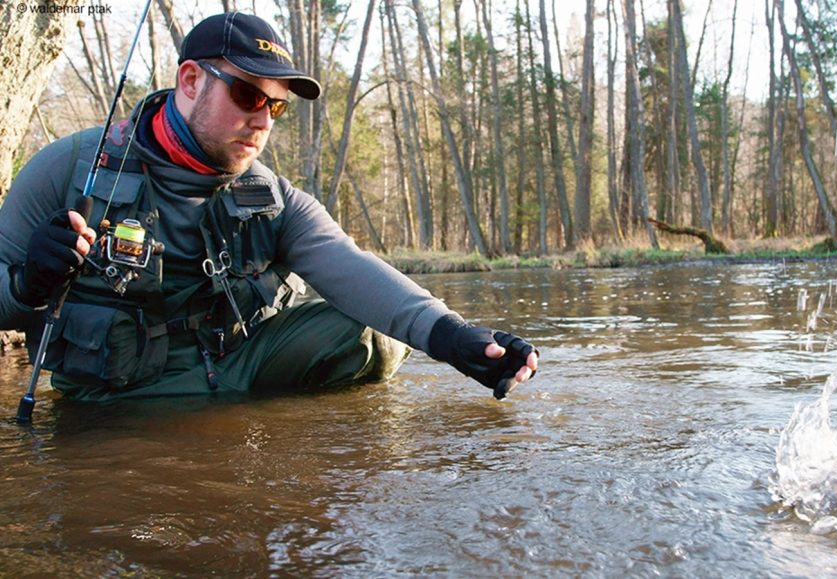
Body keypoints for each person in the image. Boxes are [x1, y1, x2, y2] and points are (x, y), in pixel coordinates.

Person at [0, 12, 538, 402]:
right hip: (117, 399)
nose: (264, 121)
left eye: (276, 106)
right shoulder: (69, 170)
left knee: (372, 334)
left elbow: (351, 267)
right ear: (190, 80)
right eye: (250, 97)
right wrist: (28, 282)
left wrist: (459, 339)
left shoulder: (270, 196)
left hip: (237, 371)